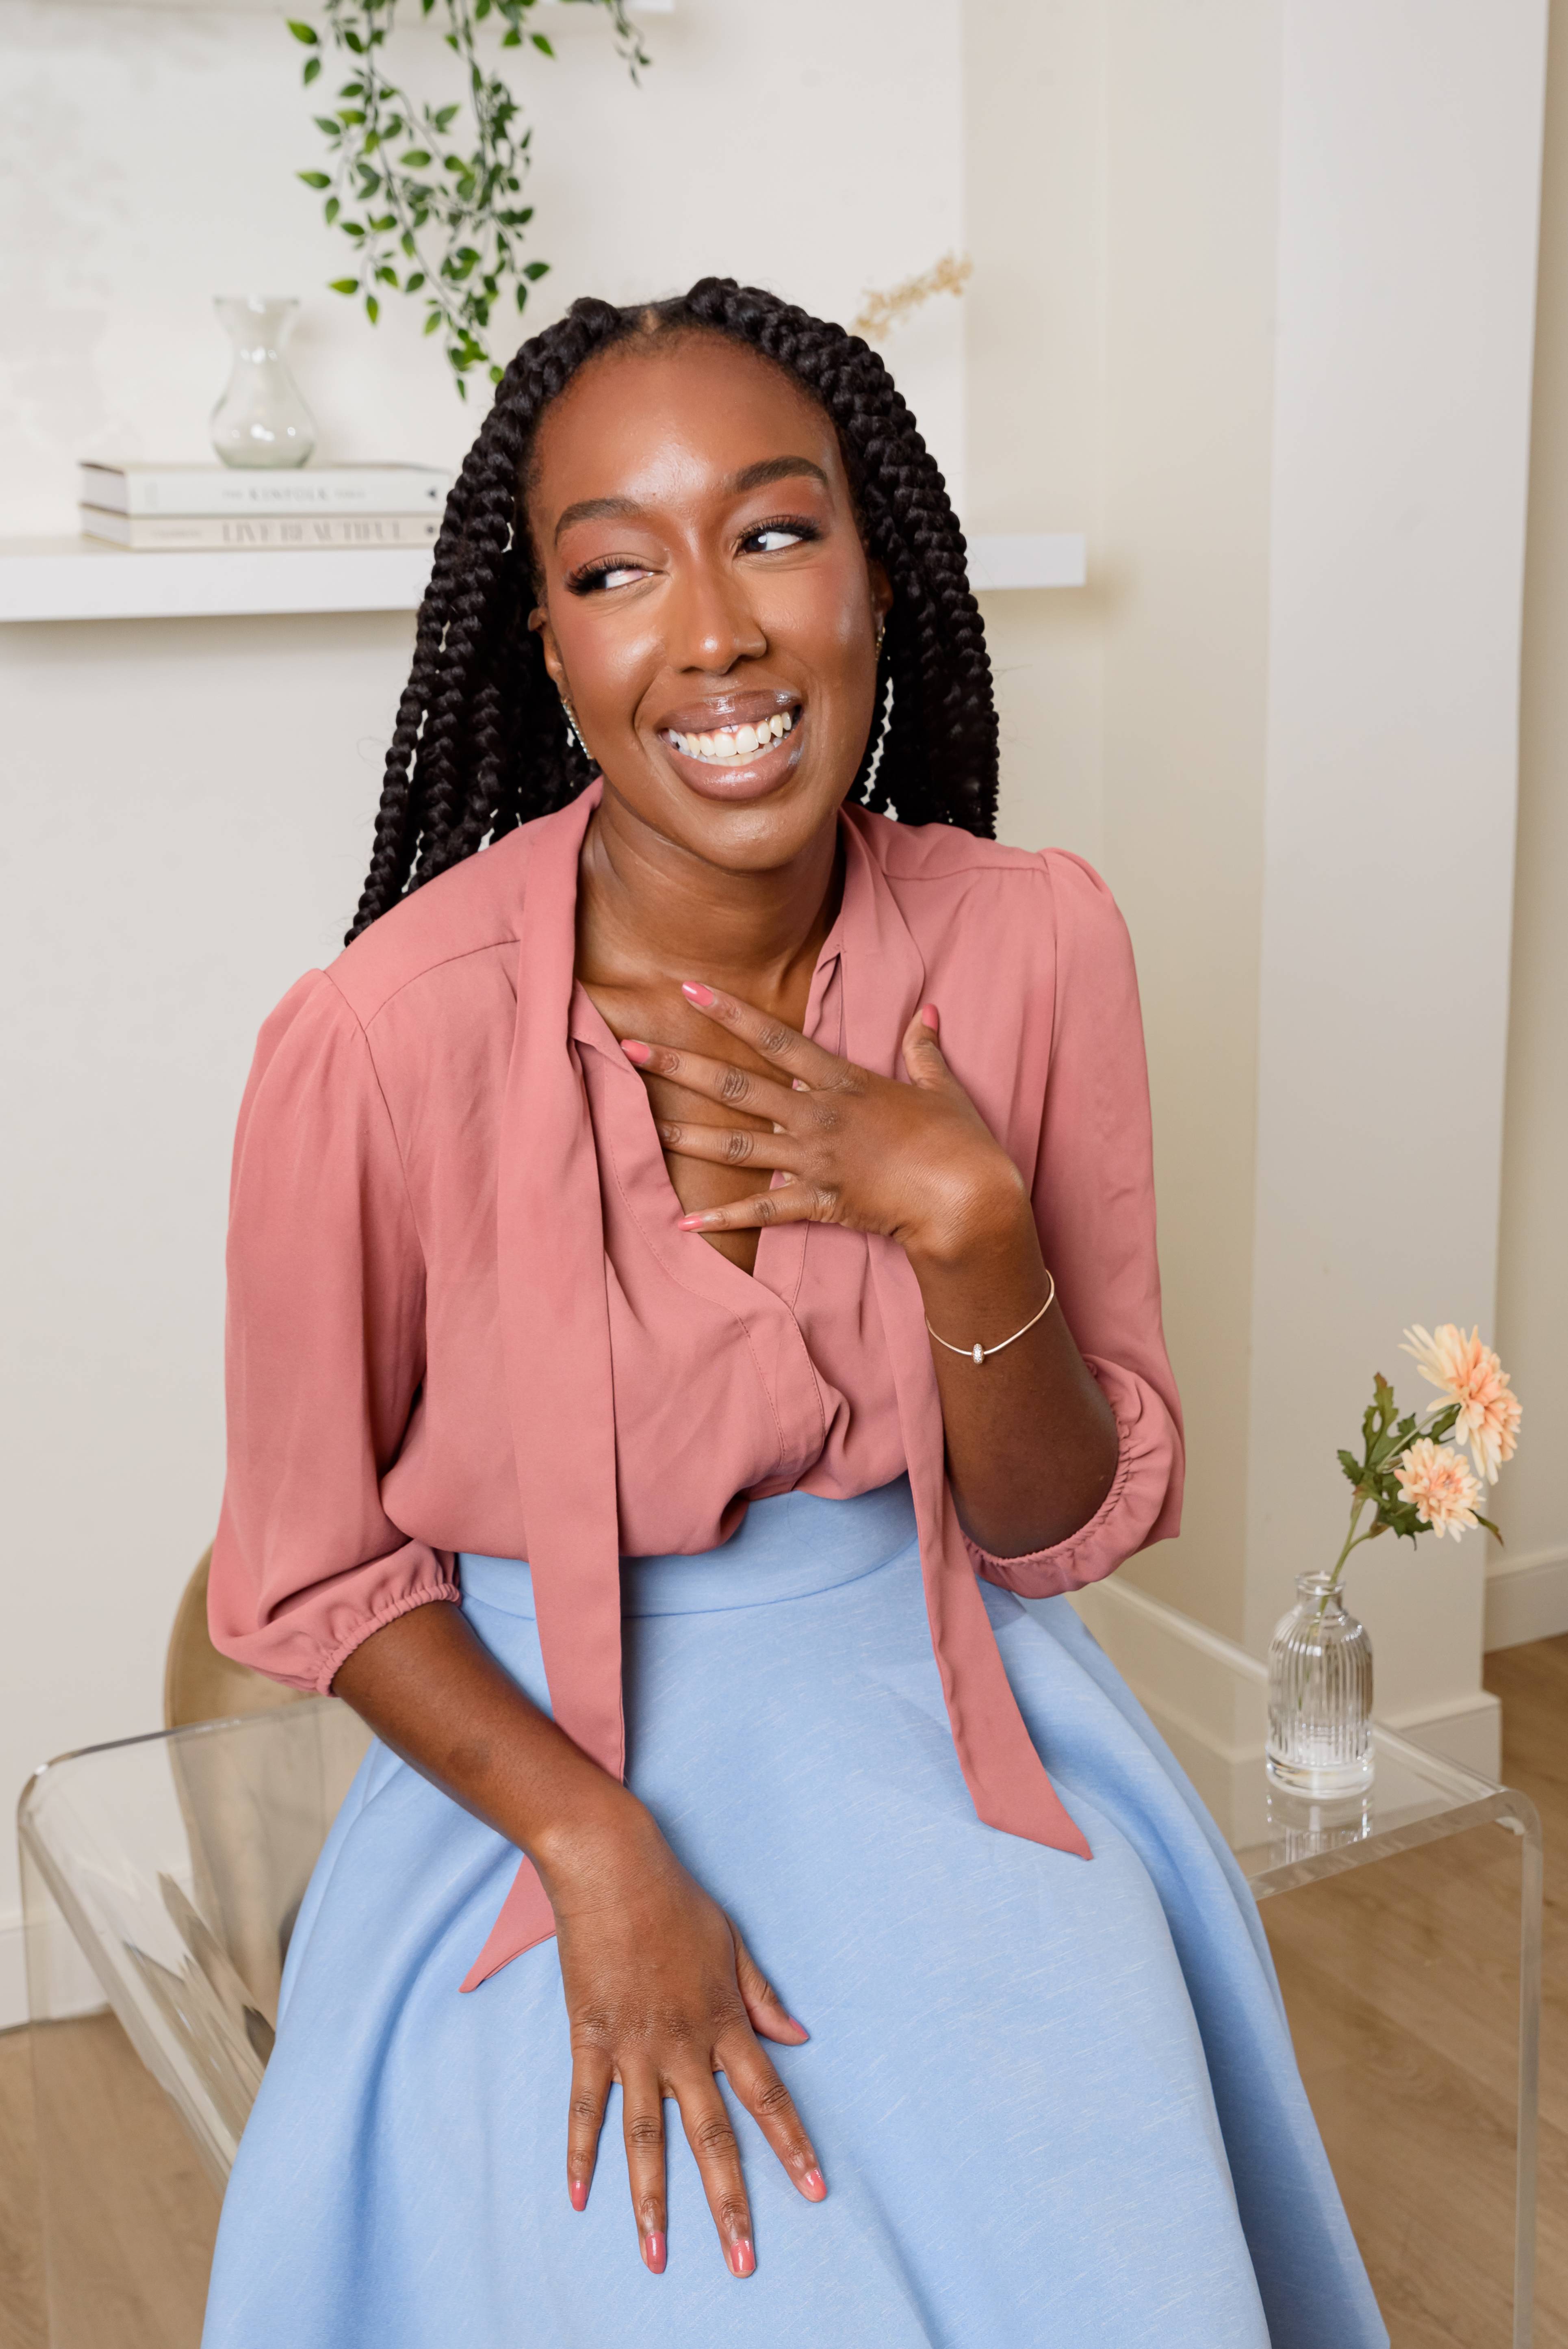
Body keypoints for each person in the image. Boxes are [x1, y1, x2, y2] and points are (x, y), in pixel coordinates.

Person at [201, 278, 1387, 2348]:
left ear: (877, 571)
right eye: (615, 569)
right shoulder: (376, 1040)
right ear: (546, 641)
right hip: (532, 1769)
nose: (716, 630)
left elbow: (1049, 1530)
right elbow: (313, 1571)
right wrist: (593, 1851)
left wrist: (967, 1227)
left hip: (955, 1718)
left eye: (772, 530)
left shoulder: (1032, 945)